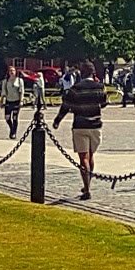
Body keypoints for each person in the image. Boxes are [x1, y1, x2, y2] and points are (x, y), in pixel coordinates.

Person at [57, 62, 106, 196]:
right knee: (90, 155)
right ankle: (88, 183)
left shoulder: (75, 88)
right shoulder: (100, 87)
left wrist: (57, 120)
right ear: (93, 73)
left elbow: (65, 105)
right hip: (95, 124)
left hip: (80, 125)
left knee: (83, 157)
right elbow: (104, 103)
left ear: (81, 73)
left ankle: (87, 187)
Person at [0, 60, 26, 139]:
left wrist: (21, 101)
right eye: (10, 71)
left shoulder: (19, 80)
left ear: (15, 71)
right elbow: (3, 92)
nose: (12, 72)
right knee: (7, 118)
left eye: (13, 70)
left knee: (15, 118)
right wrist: (1, 101)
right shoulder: (5, 81)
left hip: (16, 101)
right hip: (9, 101)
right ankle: (11, 128)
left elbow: (22, 91)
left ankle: (13, 132)